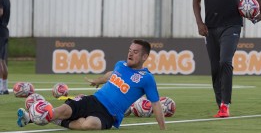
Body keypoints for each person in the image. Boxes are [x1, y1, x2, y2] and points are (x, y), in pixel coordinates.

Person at [17, 39, 166, 130]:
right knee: (64, 110)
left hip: (109, 114)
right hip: (93, 100)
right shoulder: (121, 65)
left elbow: (156, 105)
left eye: (135, 52)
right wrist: (97, 81)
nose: (130, 54)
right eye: (129, 50)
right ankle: (29, 117)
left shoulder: (147, 78)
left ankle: (54, 120)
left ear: (144, 56)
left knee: (89, 125)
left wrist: (162, 129)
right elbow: (111, 74)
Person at [192, 0, 261, 118]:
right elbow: (196, 1)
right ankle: (220, 105)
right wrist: (199, 23)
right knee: (215, 68)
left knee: (225, 61)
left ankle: (225, 105)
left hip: (232, 26)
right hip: (210, 28)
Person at [0, 0, 10, 95]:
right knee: (2, 60)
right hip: (4, 30)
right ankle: (4, 87)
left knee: (0, 61)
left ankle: (1, 88)